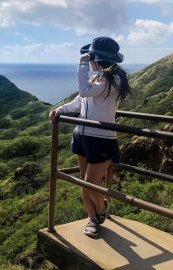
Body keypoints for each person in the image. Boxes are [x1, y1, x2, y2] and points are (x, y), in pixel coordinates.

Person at [48, 37, 131, 237]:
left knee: (90, 183)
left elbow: (84, 92)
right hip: (82, 136)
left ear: (98, 59)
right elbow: (79, 101)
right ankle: (92, 219)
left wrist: (82, 65)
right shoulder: (97, 79)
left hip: (101, 139)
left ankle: (101, 209)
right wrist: (59, 110)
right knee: (83, 185)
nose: (89, 60)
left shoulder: (114, 82)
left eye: (91, 57)